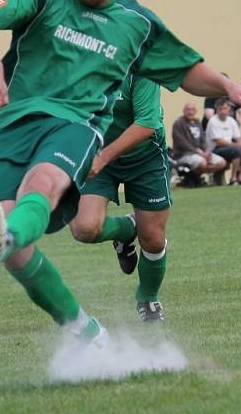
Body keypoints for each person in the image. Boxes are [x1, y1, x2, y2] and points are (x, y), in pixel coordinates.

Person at [0, 0, 241, 343]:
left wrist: (229, 86)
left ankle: (4, 235)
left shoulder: (136, 24)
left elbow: (186, 69)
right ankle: (86, 331)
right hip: (8, 122)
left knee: (43, 181)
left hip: (75, 124)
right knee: (16, 252)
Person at [69, 76, 172, 322]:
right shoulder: (82, 60)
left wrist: (103, 157)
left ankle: (147, 297)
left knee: (154, 240)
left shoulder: (141, 66)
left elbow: (147, 124)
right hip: (98, 152)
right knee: (84, 228)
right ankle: (127, 231)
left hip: (145, 156)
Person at [206, 99, 241, 184]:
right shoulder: (213, 121)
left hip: (229, 146)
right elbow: (219, 141)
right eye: (220, 109)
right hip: (215, 149)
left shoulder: (231, 121)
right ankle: (233, 179)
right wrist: (237, 145)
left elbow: (238, 137)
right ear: (216, 110)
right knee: (236, 151)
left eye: (224, 109)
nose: (222, 111)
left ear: (229, 109)